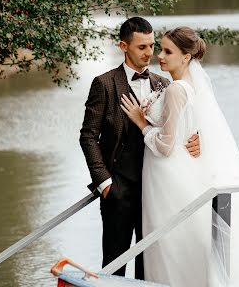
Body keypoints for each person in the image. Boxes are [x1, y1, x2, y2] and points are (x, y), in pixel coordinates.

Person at [121, 26, 239, 287]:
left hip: (168, 175)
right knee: (179, 239)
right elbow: (192, 125)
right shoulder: (186, 85)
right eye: (161, 49)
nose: (160, 56)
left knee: (170, 241)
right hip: (176, 170)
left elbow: (166, 146)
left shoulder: (177, 89)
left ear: (186, 57)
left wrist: (140, 122)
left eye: (168, 51)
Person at [80, 17, 200, 280]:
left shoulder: (163, 83)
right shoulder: (104, 83)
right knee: (114, 265)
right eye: (142, 47)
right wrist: (105, 183)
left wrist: (195, 139)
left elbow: (178, 127)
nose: (150, 53)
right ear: (123, 46)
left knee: (152, 265)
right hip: (118, 191)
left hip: (157, 192)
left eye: (152, 45)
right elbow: (88, 137)